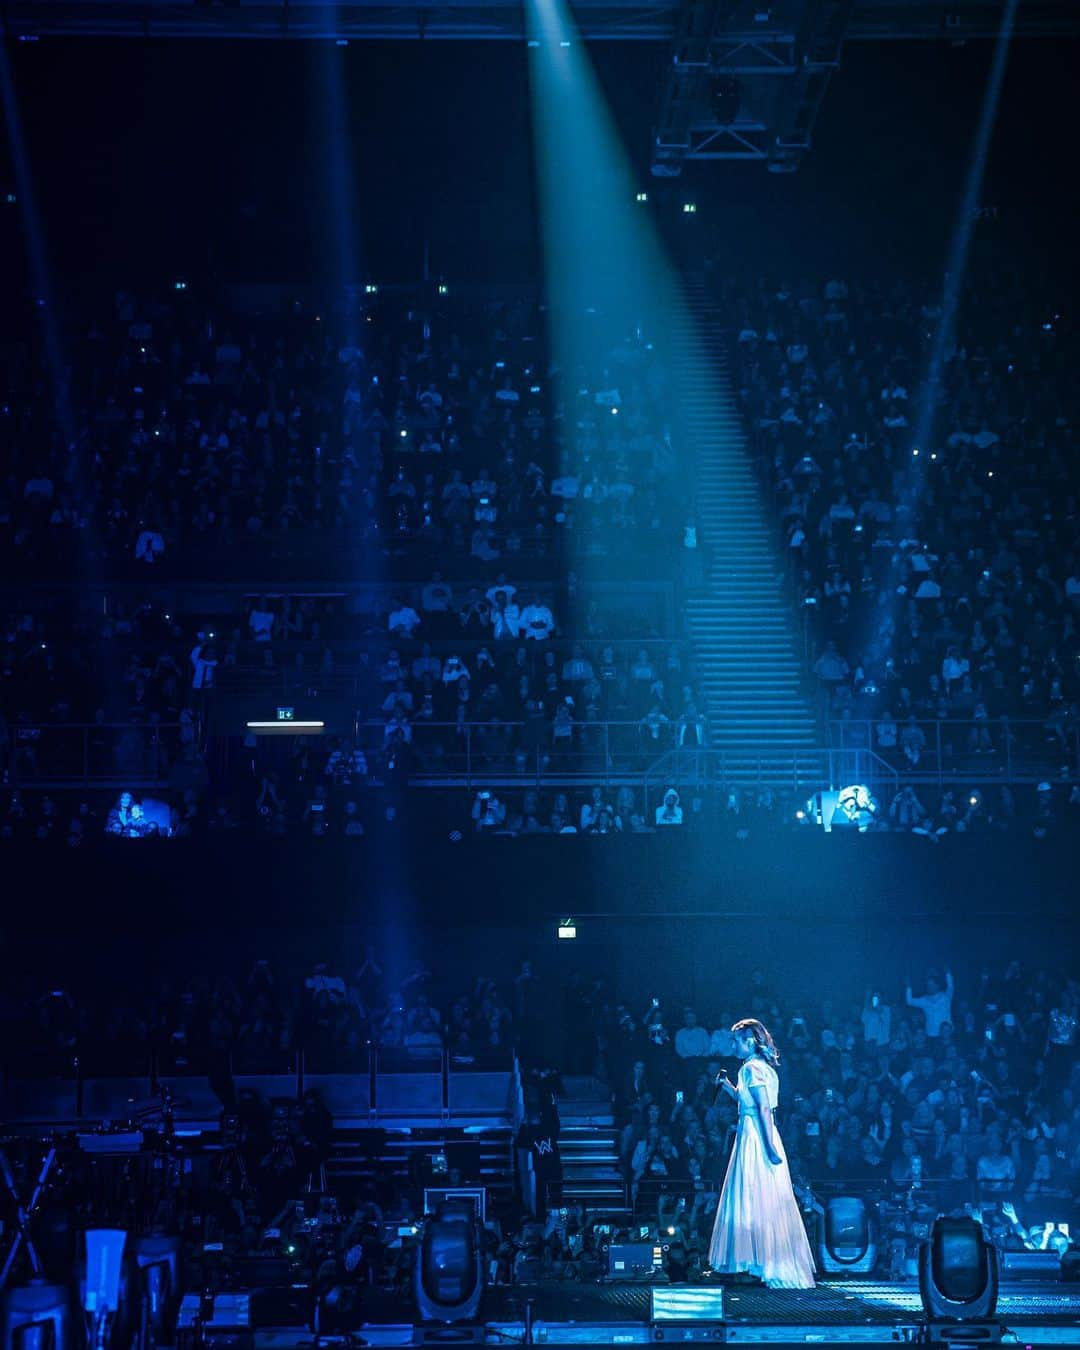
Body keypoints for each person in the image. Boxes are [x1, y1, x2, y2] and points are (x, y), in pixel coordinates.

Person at [707, 1019, 815, 1289]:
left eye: (736, 1041)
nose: (733, 1046)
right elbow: (749, 1104)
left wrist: (768, 1145)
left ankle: (762, 1262)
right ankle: (759, 1262)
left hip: (756, 1136)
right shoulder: (756, 1069)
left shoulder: (752, 1069)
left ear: (750, 1041)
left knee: (754, 1194)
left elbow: (764, 1109)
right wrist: (728, 1087)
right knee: (758, 1196)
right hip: (753, 1131)